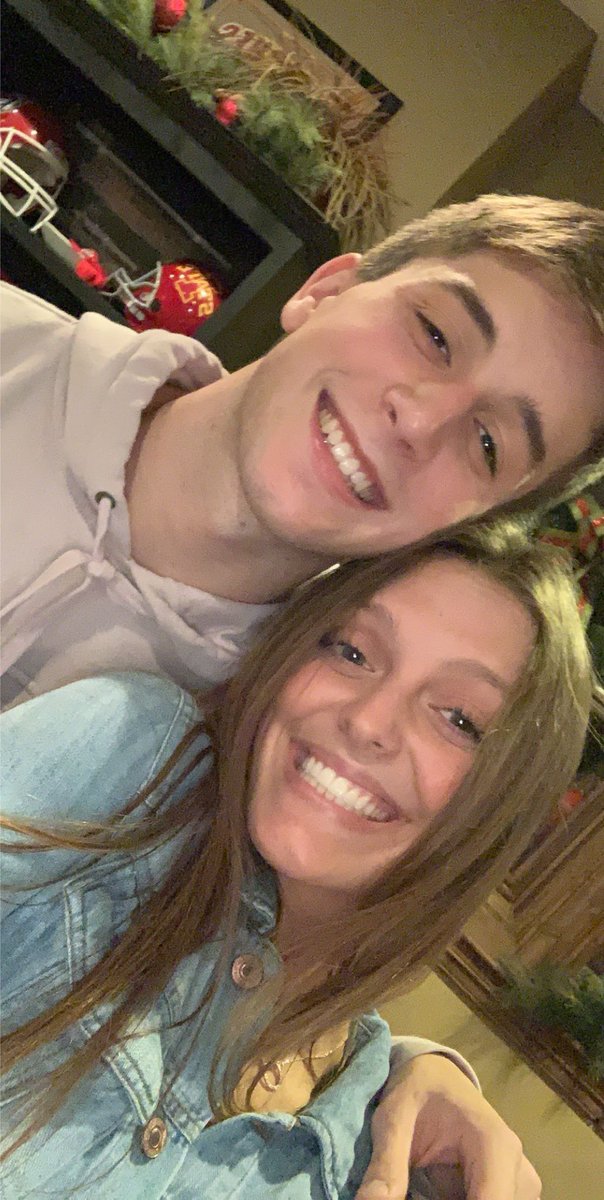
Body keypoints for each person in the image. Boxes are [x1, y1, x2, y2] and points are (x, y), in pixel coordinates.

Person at [1, 524, 594, 1199]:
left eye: (458, 718)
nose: (368, 721)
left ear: (502, 807)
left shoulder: (374, 1166)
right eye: (352, 651)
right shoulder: (128, 765)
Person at [1, 194, 603, 707]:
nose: (421, 420)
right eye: (435, 335)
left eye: (489, 445)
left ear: (473, 524)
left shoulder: (267, 751)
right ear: (325, 291)